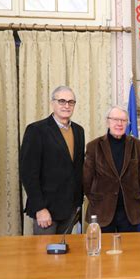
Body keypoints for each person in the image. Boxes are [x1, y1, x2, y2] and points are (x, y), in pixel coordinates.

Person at [20, 85, 85, 235]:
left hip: (70, 208)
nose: (66, 105)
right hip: (46, 210)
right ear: (52, 103)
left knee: (65, 254)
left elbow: (77, 168)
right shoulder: (36, 130)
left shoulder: (78, 131)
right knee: (45, 256)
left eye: (71, 102)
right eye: (62, 101)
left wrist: (78, 204)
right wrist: (39, 208)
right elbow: (28, 173)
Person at [83, 106, 140, 232]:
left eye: (123, 120)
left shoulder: (137, 145)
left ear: (127, 123)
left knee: (130, 250)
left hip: (129, 211)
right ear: (107, 122)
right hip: (102, 210)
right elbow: (86, 180)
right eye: (115, 119)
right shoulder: (93, 146)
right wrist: (97, 199)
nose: (119, 124)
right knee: (103, 250)